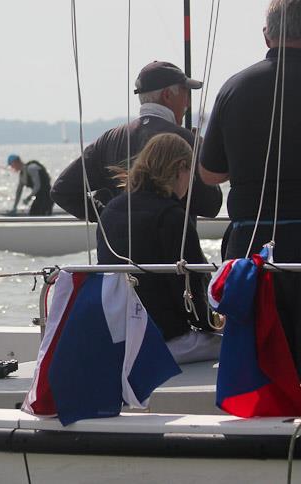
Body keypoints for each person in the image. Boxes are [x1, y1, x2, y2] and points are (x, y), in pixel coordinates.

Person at [200, 0, 301, 372]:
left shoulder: (235, 88)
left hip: (253, 246)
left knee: (261, 368)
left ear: (267, 35)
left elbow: (210, 174)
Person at [98, 133, 219, 364]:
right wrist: (212, 324)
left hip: (119, 336)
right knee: (240, 346)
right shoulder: (172, 217)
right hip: (164, 339)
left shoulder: (111, 210)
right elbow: (189, 287)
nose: (191, 181)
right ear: (179, 168)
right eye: (190, 173)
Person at [50, 60, 222, 222]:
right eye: (186, 94)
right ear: (167, 95)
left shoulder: (109, 139)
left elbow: (63, 191)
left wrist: (109, 216)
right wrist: (200, 149)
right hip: (168, 249)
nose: (188, 103)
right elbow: (211, 205)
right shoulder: (184, 140)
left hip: (118, 249)